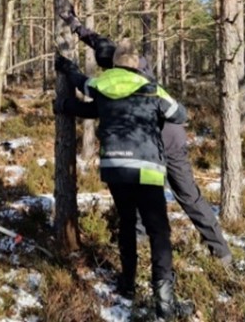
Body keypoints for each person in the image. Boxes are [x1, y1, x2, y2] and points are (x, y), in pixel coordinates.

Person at [61, 4, 233, 265]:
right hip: (145, 140)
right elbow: (98, 42)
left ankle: (220, 251)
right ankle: (140, 238)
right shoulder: (120, 63)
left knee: (186, 194)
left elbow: (95, 104)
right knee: (146, 190)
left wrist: (66, 101)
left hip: (168, 139)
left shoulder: (134, 76)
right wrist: (75, 25)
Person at [55, 39, 186, 320]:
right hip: (147, 170)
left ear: (115, 63)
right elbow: (179, 114)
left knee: (127, 222)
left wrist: (67, 79)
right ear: (136, 64)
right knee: (158, 232)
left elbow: (84, 88)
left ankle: (127, 285)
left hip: (115, 168)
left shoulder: (102, 83)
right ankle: (163, 300)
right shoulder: (151, 88)